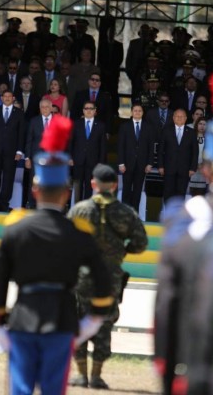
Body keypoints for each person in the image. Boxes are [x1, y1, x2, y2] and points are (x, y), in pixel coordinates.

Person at [0, 115, 113, 394]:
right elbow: (102, 278)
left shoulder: (15, 228)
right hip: (62, 319)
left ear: (34, 190)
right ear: (67, 193)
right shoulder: (79, 232)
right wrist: (93, 319)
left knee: (20, 388)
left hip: (23, 317)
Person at [68, 164, 148, 389]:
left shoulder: (79, 210)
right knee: (104, 321)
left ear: (93, 184)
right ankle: (96, 375)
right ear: (115, 185)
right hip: (111, 276)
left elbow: (66, 241)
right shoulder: (125, 212)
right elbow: (141, 243)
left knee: (79, 320)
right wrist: (123, 251)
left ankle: (81, 374)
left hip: (82, 276)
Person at [0, 90, 25, 211]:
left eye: (9, 96)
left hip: (11, 152)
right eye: (5, 96)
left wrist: (19, 151)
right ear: (1, 98)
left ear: (13, 98)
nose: (7, 98)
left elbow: (21, 133)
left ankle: (4, 203)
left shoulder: (19, 113)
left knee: (8, 178)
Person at [117, 104, 155, 211]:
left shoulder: (149, 127)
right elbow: (121, 146)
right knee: (126, 189)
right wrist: (121, 163)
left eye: (140, 111)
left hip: (142, 165)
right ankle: (124, 213)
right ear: (131, 112)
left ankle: (134, 214)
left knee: (138, 190)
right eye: (135, 110)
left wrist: (150, 163)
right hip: (127, 164)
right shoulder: (124, 126)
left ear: (143, 113)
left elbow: (151, 147)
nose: (137, 112)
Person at [68, 101, 107, 203]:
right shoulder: (76, 124)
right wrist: (70, 157)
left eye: (91, 108)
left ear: (95, 111)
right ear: (83, 111)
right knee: (77, 186)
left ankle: (86, 210)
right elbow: (70, 142)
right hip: (77, 160)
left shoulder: (101, 126)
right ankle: (77, 209)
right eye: (86, 108)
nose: (88, 111)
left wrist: (101, 162)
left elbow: (103, 146)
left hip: (93, 161)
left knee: (90, 187)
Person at [157, 109, 198, 203]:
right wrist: (160, 166)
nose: (179, 118)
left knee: (181, 194)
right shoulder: (166, 131)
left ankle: (178, 216)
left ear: (186, 118)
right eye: (177, 116)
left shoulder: (191, 132)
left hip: (185, 169)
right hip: (168, 168)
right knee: (168, 193)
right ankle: (167, 215)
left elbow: (195, 152)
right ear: (173, 118)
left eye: (182, 116)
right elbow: (160, 150)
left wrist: (193, 168)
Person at [24, 99, 53, 208]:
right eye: (42, 107)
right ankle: (32, 205)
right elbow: (29, 140)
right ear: (39, 109)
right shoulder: (34, 121)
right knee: (34, 183)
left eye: (47, 107)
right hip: (36, 157)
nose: (44, 109)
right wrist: (27, 158)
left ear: (51, 108)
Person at [188, 117, 208, 196]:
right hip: (191, 169)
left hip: (203, 170)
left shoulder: (209, 139)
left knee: (202, 194)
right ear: (196, 125)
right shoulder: (190, 137)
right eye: (200, 124)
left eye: (204, 124)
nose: (202, 126)